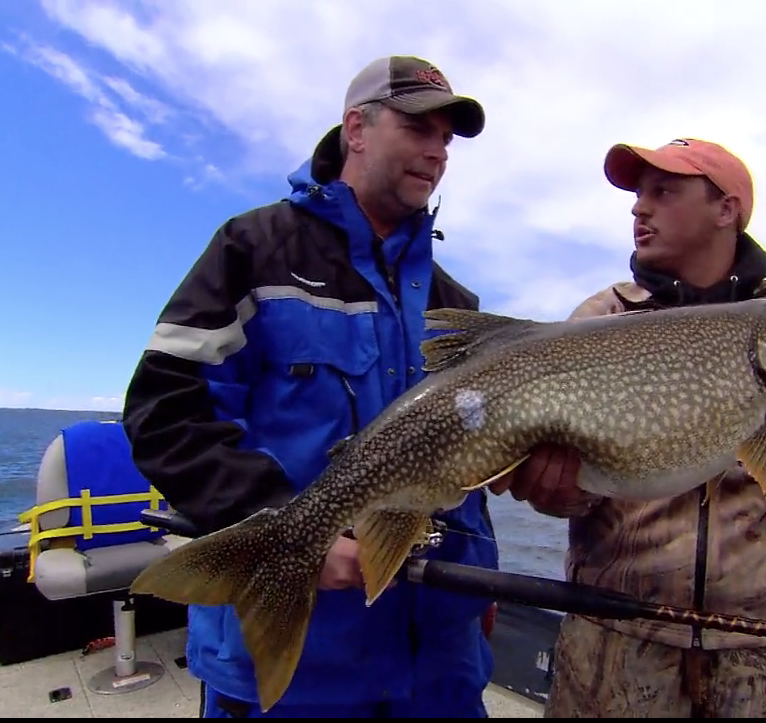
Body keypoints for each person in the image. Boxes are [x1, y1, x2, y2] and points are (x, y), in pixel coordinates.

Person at [490, 137, 766, 717]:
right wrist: (558, 492)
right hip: (614, 643)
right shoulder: (599, 322)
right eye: (637, 195)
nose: (638, 209)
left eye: (664, 191)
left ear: (726, 210)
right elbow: (567, 496)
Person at [120, 55, 500, 718]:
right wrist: (282, 523)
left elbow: (471, 457)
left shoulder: (456, 304)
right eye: (419, 128)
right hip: (299, 672)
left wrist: (483, 583)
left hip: (441, 665)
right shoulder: (252, 249)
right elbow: (164, 411)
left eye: (447, 139)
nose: (437, 151)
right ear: (356, 127)